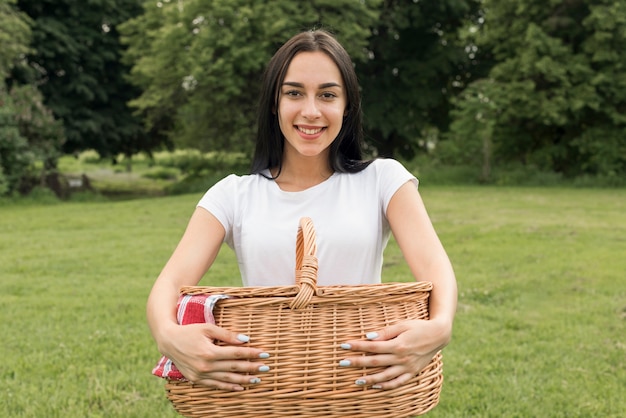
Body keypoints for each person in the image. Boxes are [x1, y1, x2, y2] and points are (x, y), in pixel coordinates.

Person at [147, 29, 457, 392]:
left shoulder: (383, 180)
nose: (311, 111)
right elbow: (167, 285)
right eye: (294, 93)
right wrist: (168, 337)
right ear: (275, 103)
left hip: (361, 389)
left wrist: (441, 326)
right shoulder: (233, 194)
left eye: (327, 94)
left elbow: (437, 271)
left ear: (347, 105)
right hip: (268, 390)